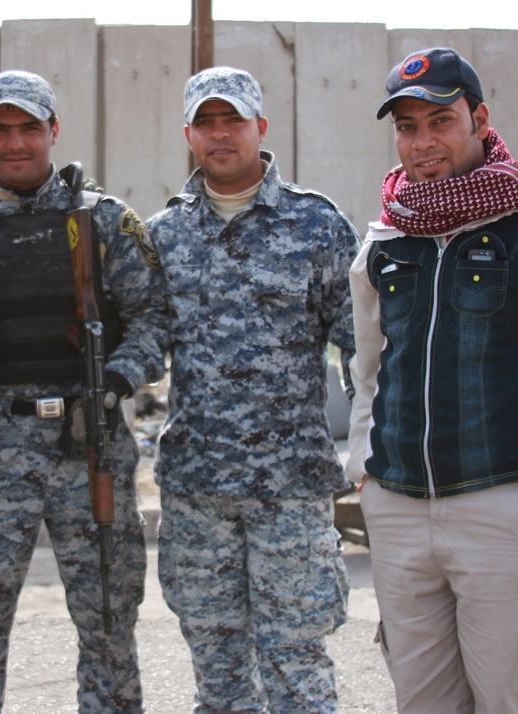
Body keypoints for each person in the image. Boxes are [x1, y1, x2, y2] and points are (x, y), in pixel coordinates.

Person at [347, 47, 518, 713]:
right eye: (408, 127)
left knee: (517, 699)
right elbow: (367, 369)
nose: (423, 142)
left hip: (509, 508)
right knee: (423, 702)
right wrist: (366, 470)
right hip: (399, 512)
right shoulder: (388, 236)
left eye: (440, 121)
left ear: (479, 118)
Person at [0, 70, 168, 713]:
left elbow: (152, 319)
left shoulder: (105, 221)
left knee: (110, 619)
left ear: (53, 131)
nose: (16, 143)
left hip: (90, 441)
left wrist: (114, 379)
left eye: (30, 127)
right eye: (0, 130)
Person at [147, 66, 358, 713]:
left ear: (260, 127)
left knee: (296, 666)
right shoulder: (162, 236)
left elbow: (363, 346)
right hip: (198, 488)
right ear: (188, 133)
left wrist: (382, 446)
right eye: (205, 122)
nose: (219, 134)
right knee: (217, 673)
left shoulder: (315, 225)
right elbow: (141, 348)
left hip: (287, 489)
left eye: (232, 119)